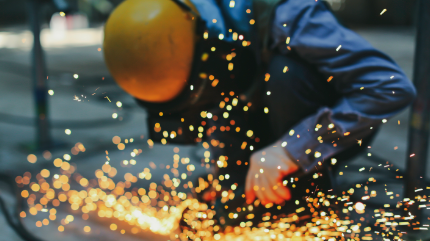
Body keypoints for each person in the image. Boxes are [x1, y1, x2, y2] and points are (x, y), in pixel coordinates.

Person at [103, 0, 416, 210]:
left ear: (215, 45)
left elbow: (389, 87)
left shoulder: (291, 14)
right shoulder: (196, 39)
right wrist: (227, 178)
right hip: (258, 110)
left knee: (287, 75)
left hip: (330, 126)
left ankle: (310, 186)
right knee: (235, 201)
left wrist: (292, 149)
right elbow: (220, 107)